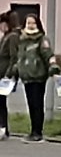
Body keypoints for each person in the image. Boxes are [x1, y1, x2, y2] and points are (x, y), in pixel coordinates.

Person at [9, 13, 56, 143]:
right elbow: (19, 57)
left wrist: (53, 65)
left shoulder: (42, 39)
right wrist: (16, 69)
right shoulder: (22, 40)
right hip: (26, 76)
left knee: (37, 104)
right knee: (31, 105)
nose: (30, 26)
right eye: (28, 23)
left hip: (38, 76)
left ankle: (37, 132)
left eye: (33, 23)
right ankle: (33, 131)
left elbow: (48, 54)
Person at [0, 10, 17, 141]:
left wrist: (8, 74)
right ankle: (3, 127)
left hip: (4, 73)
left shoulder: (12, 37)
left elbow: (13, 56)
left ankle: (3, 127)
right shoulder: (5, 36)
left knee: (1, 102)